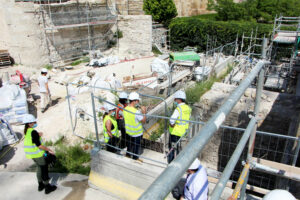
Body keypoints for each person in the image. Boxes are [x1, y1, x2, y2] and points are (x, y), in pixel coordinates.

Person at [23, 114, 57, 194]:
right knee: (44, 170)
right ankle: (47, 187)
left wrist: (38, 135)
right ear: (29, 123)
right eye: (34, 121)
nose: (35, 122)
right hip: (39, 155)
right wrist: (49, 150)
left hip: (33, 156)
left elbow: (32, 139)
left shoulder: (27, 131)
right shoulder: (33, 132)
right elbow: (39, 146)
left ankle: (40, 185)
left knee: (39, 168)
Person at [168, 90, 191, 163]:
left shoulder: (178, 109)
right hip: (183, 132)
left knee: (172, 148)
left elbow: (172, 120)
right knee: (179, 149)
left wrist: (172, 125)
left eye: (175, 99)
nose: (174, 101)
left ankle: (170, 163)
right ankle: (178, 162)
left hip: (175, 132)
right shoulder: (188, 108)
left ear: (179, 100)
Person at [123, 92, 146, 162]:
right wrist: (144, 112)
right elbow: (143, 120)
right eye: (137, 101)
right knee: (136, 146)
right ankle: (135, 158)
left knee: (129, 144)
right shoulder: (136, 112)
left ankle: (128, 154)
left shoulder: (125, 109)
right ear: (134, 101)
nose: (138, 102)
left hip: (129, 131)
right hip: (137, 133)